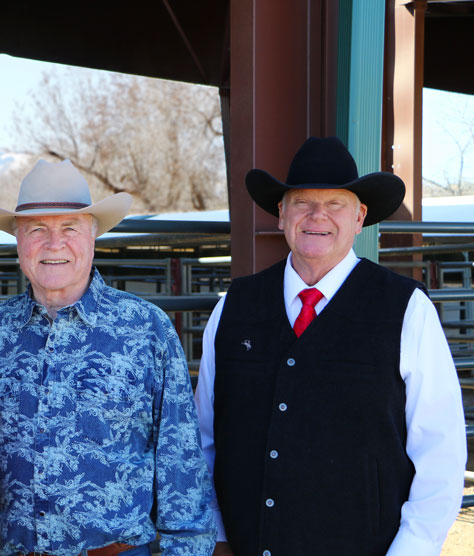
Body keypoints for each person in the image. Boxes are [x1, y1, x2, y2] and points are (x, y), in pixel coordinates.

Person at [195, 137, 467, 556]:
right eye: (302, 202)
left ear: (360, 218)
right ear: (282, 214)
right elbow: (204, 437)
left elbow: (440, 451)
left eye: (336, 204)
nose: (317, 216)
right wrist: (217, 535)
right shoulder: (234, 307)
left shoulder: (407, 309)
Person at [0, 159, 216, 556]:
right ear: (17, 241)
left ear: (93, 236)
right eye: (37, 230)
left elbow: (180, 459)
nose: (53, 244)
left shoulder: (146, 328)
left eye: (70, 228)